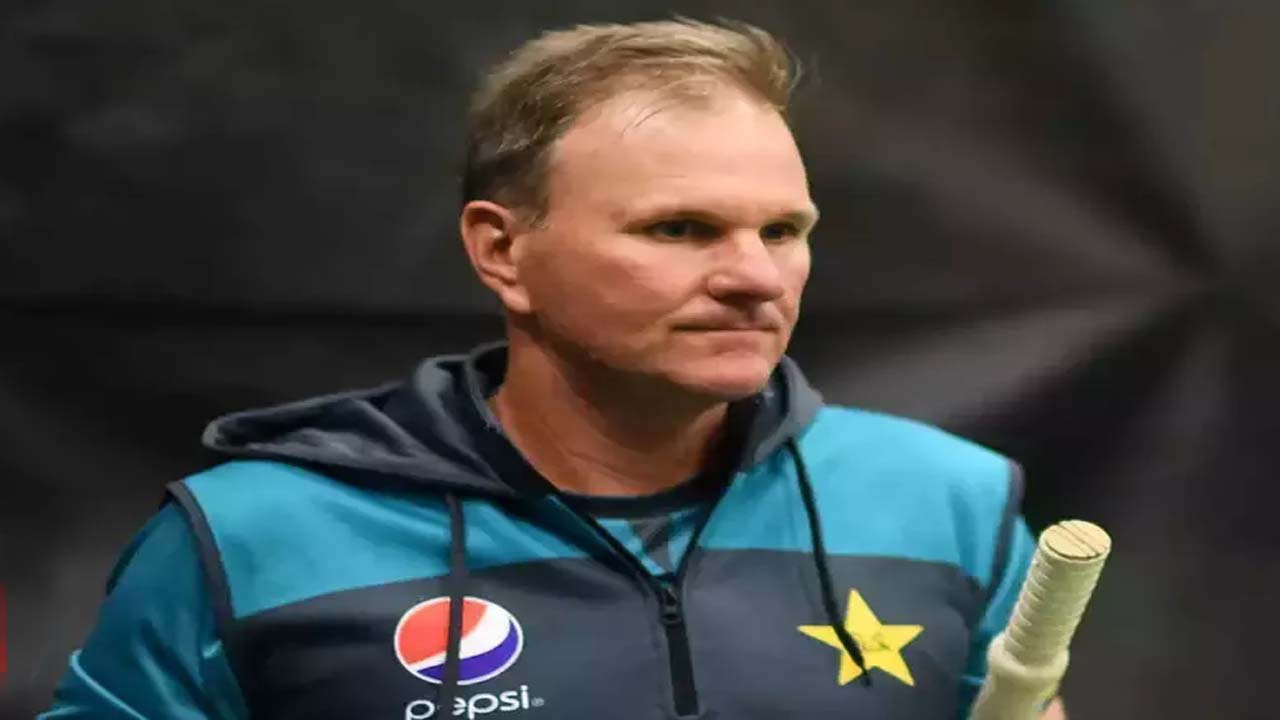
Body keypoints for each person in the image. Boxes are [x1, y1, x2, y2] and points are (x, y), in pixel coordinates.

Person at [43, 18, 1065, 719]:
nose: (755, 277)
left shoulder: (949, 504)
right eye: (679, 228)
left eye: (782, 230)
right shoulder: (255, 539)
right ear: (501, 250)